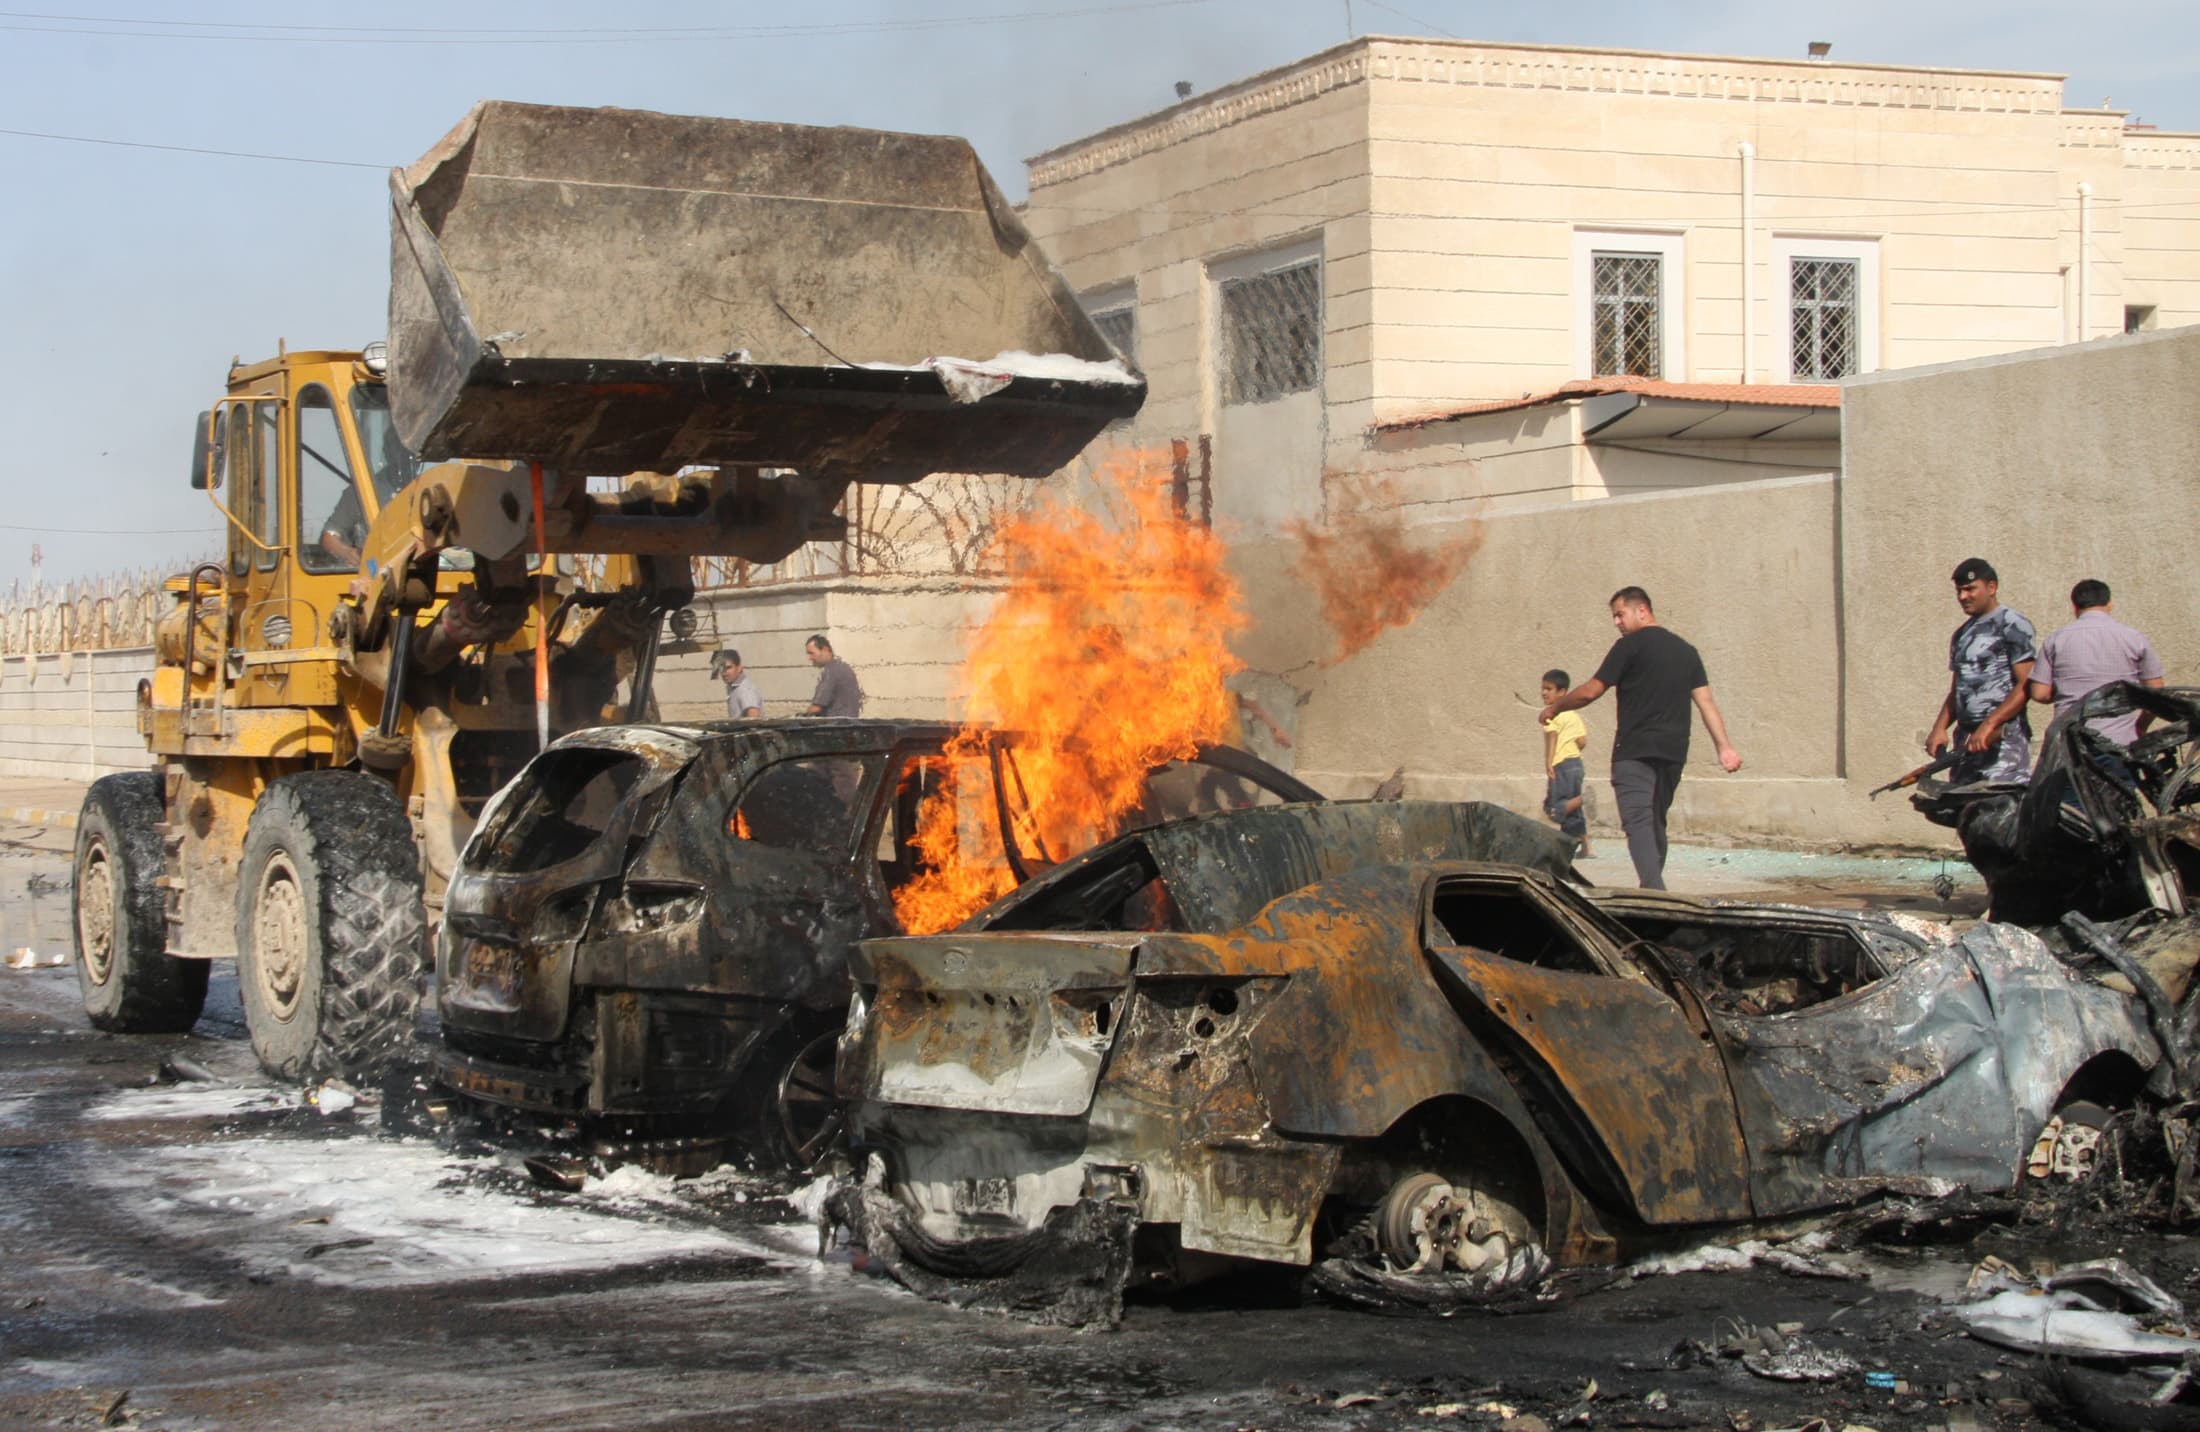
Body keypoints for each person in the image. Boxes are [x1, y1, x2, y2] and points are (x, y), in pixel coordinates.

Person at [1540, 587, 1742, 890]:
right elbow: (1706, 702)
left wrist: (1556, 706)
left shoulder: (1629, 647)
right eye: (1614, 617)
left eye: (1620, 615)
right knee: (1655, 821)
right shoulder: (1687, 652)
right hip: (1673, 751)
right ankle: (1653, 886)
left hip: (1634, 751)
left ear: (1642, 611)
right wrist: (1724, 747)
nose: (1617, 623)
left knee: (1637, 820)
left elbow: (1592, 690)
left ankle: (1653, 889)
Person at [1926, 558, 2036, 785]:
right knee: (1964, 811)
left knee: (2000, 809)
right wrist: (1939, 728)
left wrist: (1989, 725)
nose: (1962, 597)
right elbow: (1958, 688)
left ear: (1992, 587)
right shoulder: (1962, 634)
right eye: (1959, 591)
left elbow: (2026, 684)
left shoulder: (2012, 624)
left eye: (1970, 589)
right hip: (1966, 742)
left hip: (2002, 740)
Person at [2027, 578, 2165, 746]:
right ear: (2110, 604)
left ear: (2075, 608)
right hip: (2120, 741)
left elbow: (2040, 693)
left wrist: (2069, 690)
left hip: (2069, 743)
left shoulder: (2056, 640)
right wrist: (2140, 726)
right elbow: (2157, 693)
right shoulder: (2134, 639)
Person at [1538, 667, 1592, 857]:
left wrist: (1549, 762)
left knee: (1554, 808)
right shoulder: (1574, 715)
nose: (1544, 692)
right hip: (1576, 764)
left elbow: (1551, 736)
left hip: (1561, 764)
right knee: (1572, 811)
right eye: (1543, 688)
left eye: (1549, 689)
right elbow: (1582, 741)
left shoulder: (1551, 715)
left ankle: (1584, 799)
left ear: (1562, 693)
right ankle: (1586, 848)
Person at [802, 634, 865, 717]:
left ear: (825, 649)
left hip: (835, 724)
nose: (810, 658)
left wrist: (801, 716)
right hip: (848, 722)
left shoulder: (831, 671)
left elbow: (816, 708)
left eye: (811, 653)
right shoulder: (842, 667)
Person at [712, 648, 762, 719]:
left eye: (728, 668)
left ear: (739, 668)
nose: (724, 673)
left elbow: (754, 718)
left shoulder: (745, 689)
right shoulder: (735, 687)